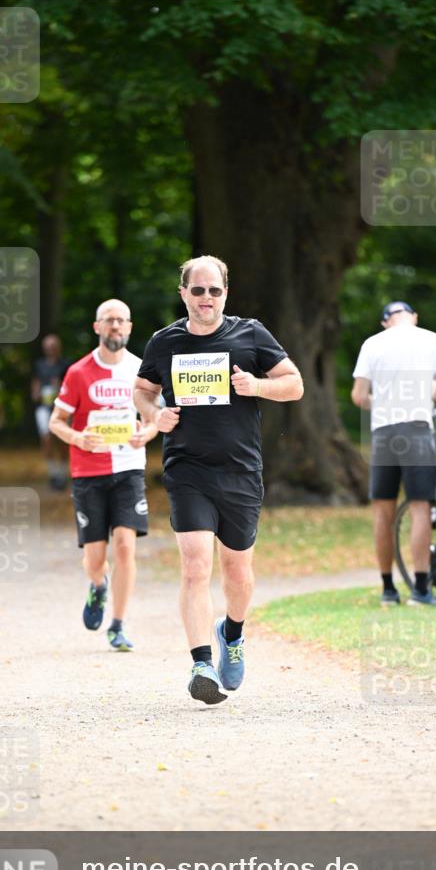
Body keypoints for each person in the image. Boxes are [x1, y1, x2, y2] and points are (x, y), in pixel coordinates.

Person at [134, 255, 304, 705]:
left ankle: (232, 633)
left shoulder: (250, 334)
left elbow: (295, 383)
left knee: (238, 571)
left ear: (225, 293)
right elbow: (142, 390)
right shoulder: (164, 342)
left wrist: (257, 386)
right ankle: (201, 663)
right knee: (194, 565)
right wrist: (155, 415)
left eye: (214, 291)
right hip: (187, 469)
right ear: (183, 294)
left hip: (240, 471)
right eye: (198, 290)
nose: (206, 299)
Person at [49, 298, 157, 650]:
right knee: (96, 558)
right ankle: (98, 586)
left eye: (121, 321)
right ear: (97, 327)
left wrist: (148, 433)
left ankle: (119, 625)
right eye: (109, 320)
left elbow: (155, 419)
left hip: (128, 469)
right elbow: (56, 423)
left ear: (129, 327)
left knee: (125, 547)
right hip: (88, 472)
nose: (115, 326)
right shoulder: (78, 372)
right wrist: (79, 437)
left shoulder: (141, 370)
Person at [351, 301, 436, 607]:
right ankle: (421, 590)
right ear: (414, 317)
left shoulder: (372, 343)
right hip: (418, 429)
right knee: (421, 508)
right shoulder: (431, 338)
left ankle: (388, 589)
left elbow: (358, 396)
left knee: (383, 512)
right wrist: (429, 395)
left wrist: (381, 402)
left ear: (386, 322)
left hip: (384, 433)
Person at [31, 335, 69, 490]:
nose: (50, 349)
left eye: (53, 346)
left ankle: (62, 472)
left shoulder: (66, 364)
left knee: (62, 439)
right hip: (43, 407)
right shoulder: (39, 365)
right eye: (48, 346)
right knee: (46, 437)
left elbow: (71, 384)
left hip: (61, 407)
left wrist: (60, 387)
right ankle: (53, 472)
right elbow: (36, 382)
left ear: (58, 347)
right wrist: (35, 393)